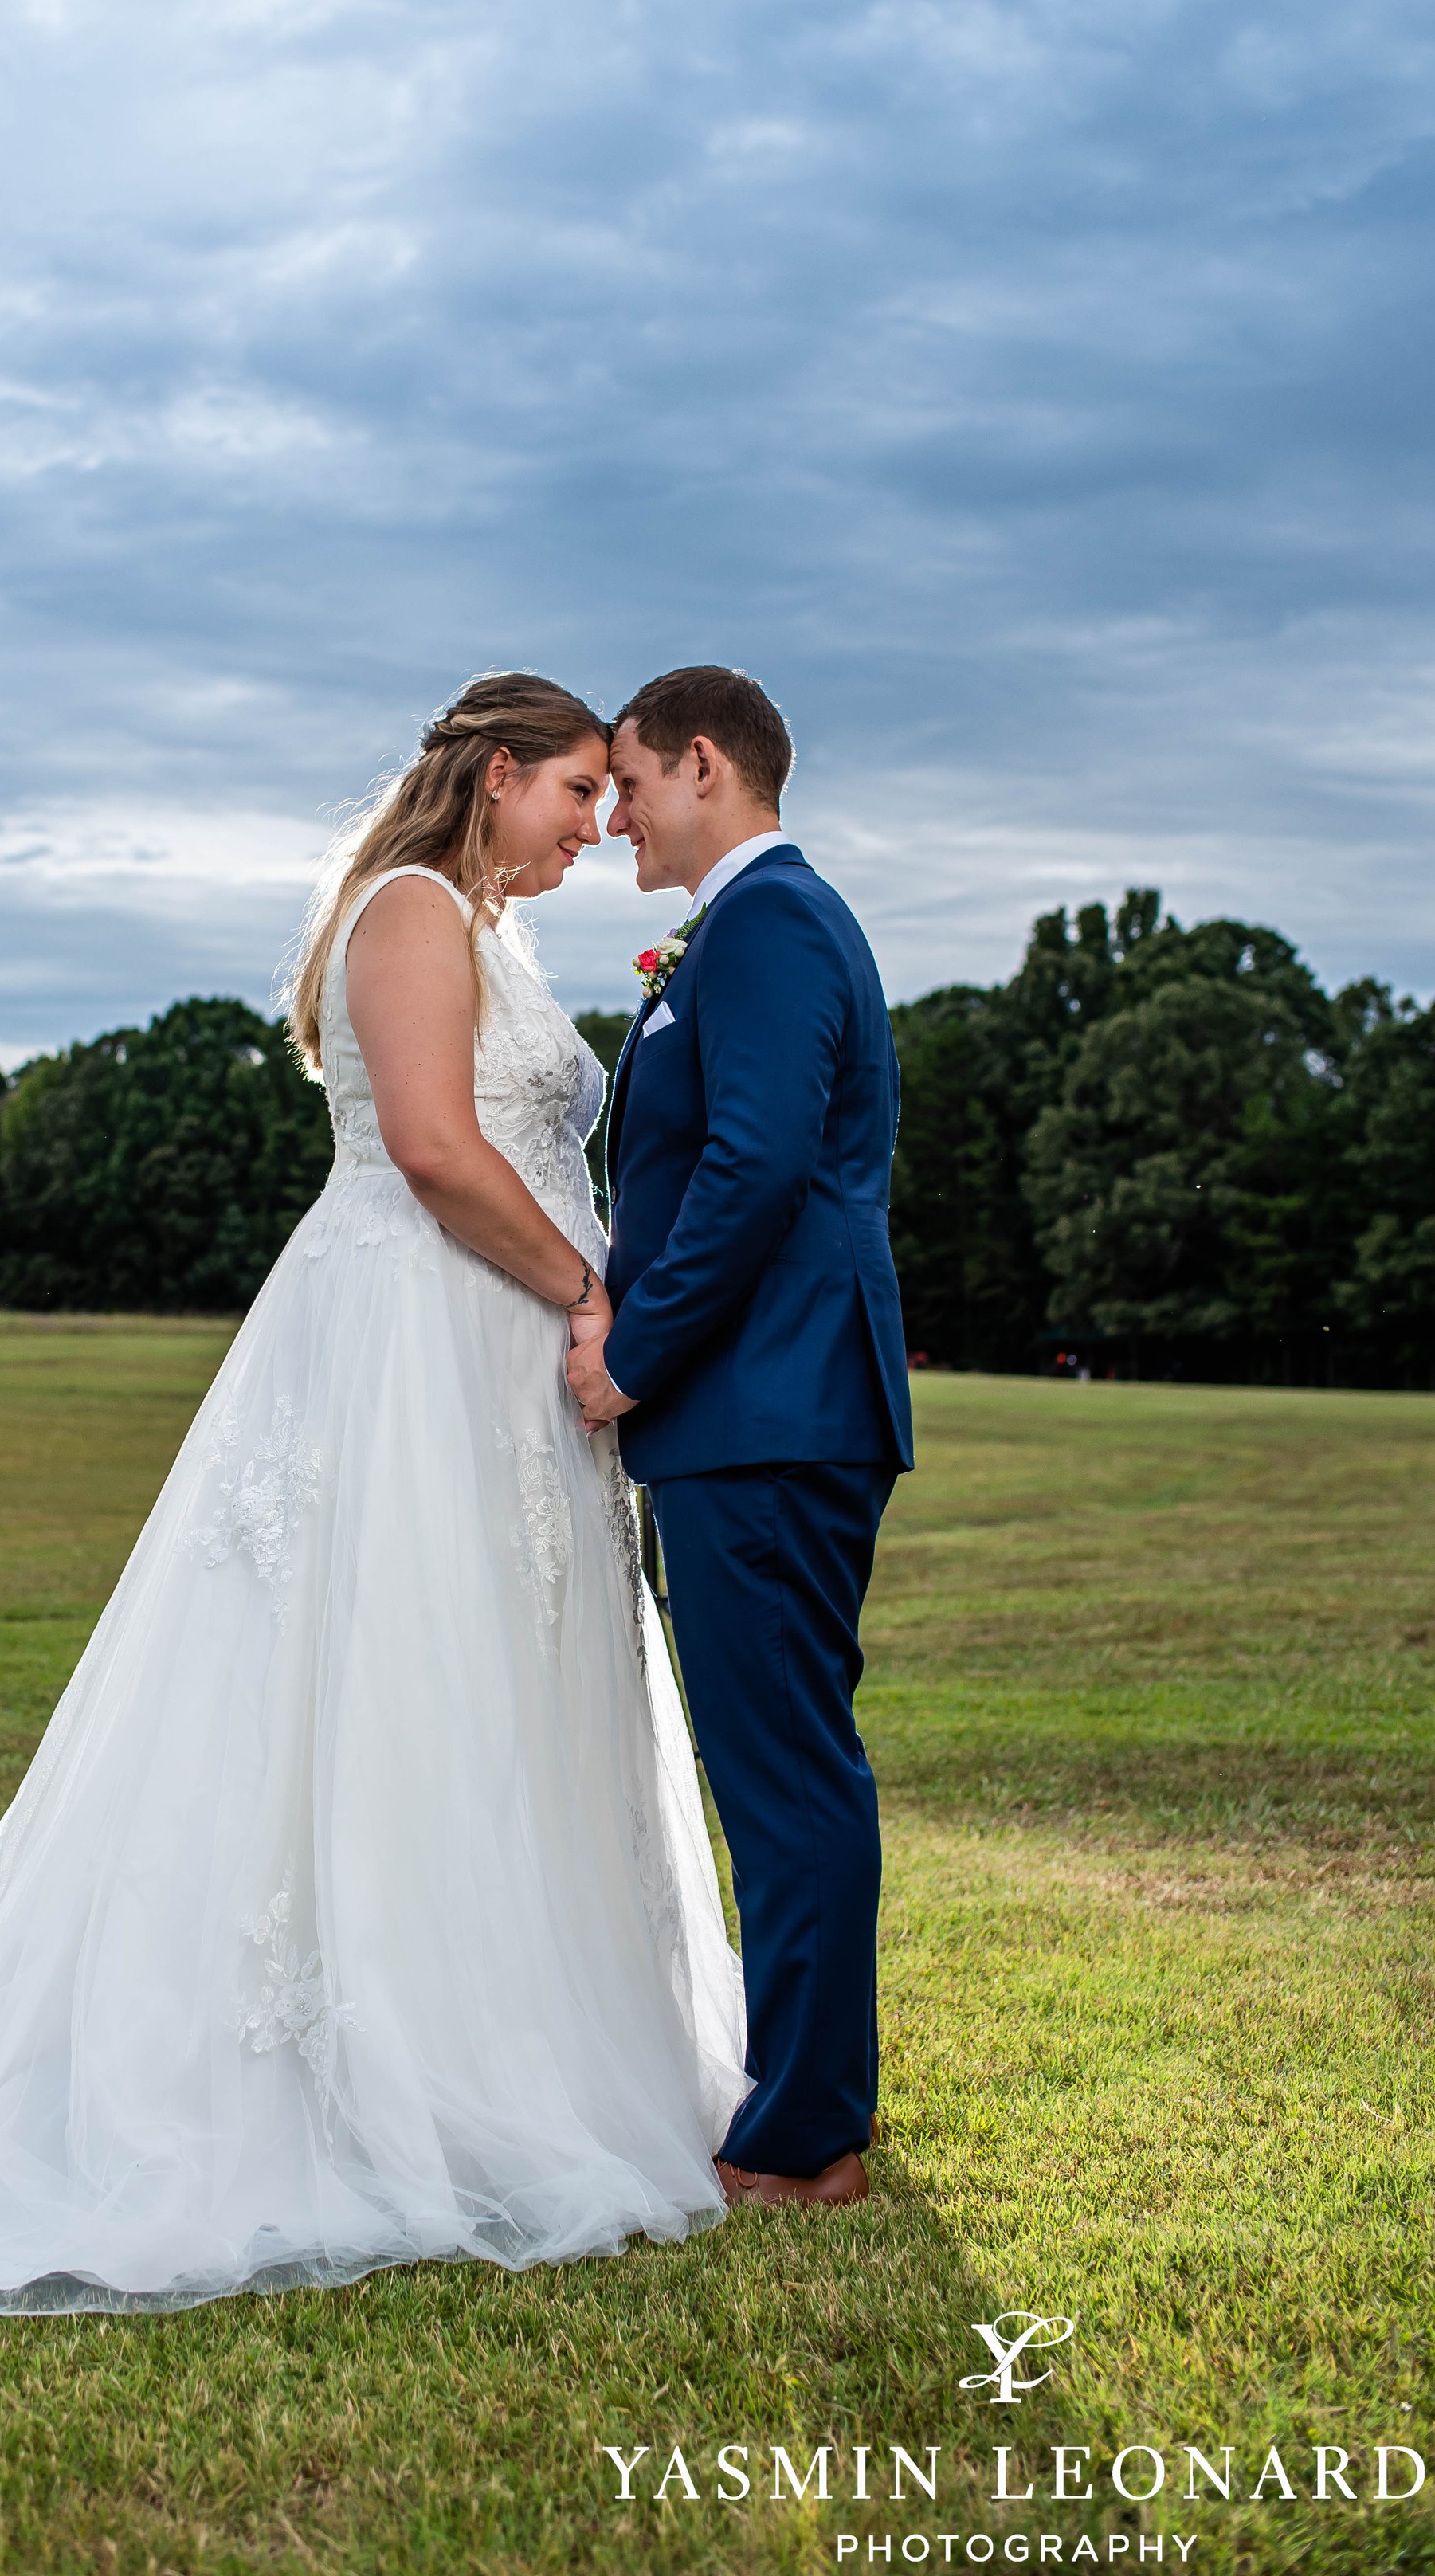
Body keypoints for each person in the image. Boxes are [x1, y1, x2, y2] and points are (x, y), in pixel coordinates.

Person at [0, 673, 745, 2315]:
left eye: (610, 798)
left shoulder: (487, 931)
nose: (598, 825)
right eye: (578, 793)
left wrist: (577, 1304)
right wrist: (587, 1295)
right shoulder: (404, 912)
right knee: (385, 1671)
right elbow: (443, 1156)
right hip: (411, 1341)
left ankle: (514, 2032)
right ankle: (373, 2059)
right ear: (497, 774)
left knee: (485, 1695)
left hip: (490, 1362)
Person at [567, 665, 913, 2209]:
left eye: (629, 780)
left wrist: (631, 1354)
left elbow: (755, 1164)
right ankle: (810, 2098)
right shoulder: (764, 923)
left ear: (701, 763)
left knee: (780, 1767)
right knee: (782, 1757)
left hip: (765, 1404)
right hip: (774, 1402)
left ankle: (804, 2134)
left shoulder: (766, 923)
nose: (614, 813)